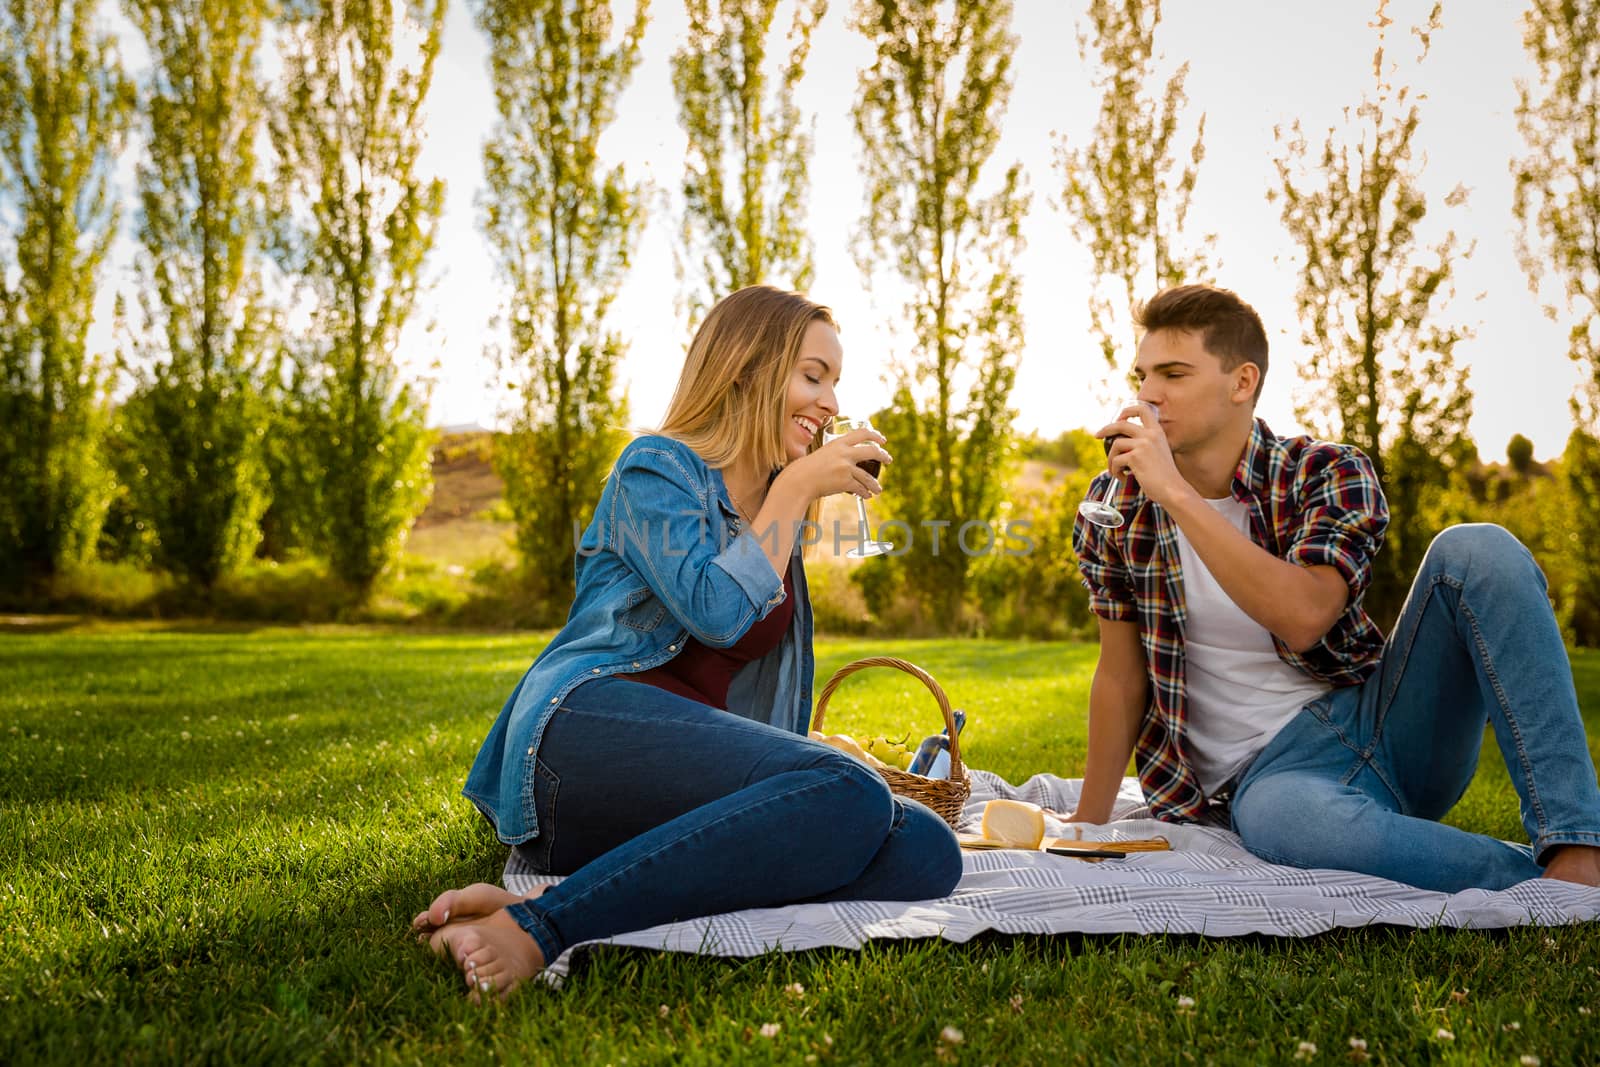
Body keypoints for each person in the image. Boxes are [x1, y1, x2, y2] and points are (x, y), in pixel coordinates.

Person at [414, 285, 963, 998]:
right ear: (744, 371)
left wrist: (787, 496)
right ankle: (538, 930)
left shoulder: (774, 501)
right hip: (583, 737)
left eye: (835, 382)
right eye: (813, 375)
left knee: (925, 848)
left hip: (677, 775)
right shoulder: (657, 468)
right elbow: (716, 613)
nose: (830, 403)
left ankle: (547, 900)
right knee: (850, 790)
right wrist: (796, 491)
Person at [1067, 283, 1600, 893]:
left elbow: (1306, 614)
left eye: (1174, 373)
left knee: (1475, 549)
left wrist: (1179, 497)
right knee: (1280, 822)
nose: (1147, 394)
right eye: (1143, 374)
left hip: (1386, 725)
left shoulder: (1326, 473)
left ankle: (1578, 845)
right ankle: (1546, 883)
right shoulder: (1120, 504)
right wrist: (1086, 822)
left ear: (1242, 383)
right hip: (1274, 780)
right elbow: (1119, 674)